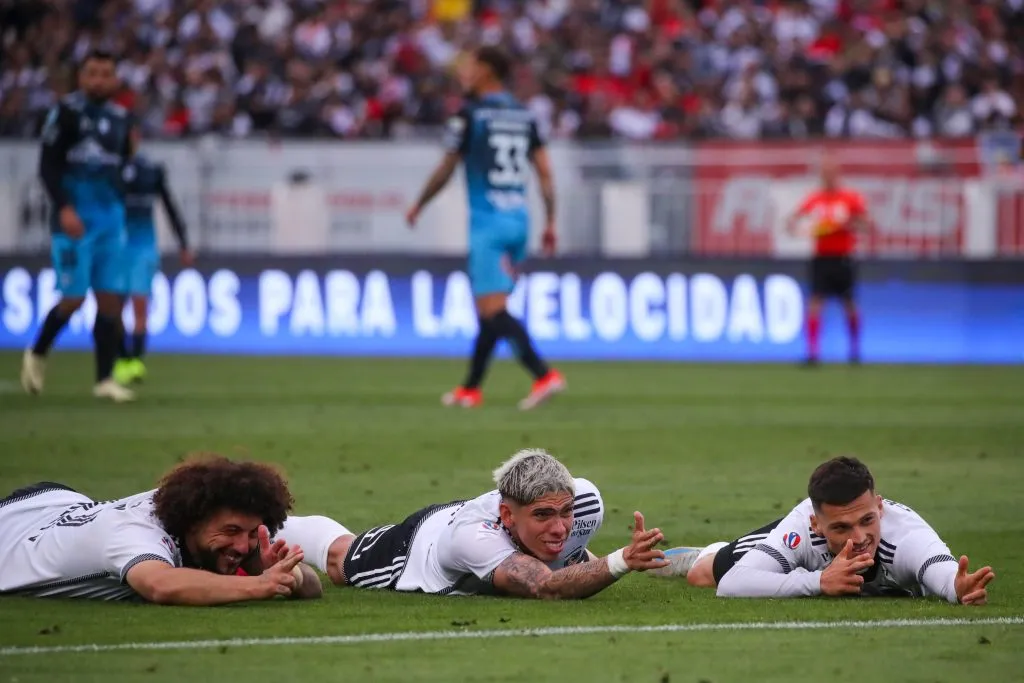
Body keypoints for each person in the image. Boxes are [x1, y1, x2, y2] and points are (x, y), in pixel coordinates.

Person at [276, 448, 668, 598]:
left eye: (565, 512)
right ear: (508, 515)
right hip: (417, 548)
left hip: (478, 522)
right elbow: (547, 587)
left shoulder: (585, 502)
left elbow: (575, 555)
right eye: (543, 515)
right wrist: (621, 560)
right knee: (339, 561)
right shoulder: (472, 538)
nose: (560, 527)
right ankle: (268, 525)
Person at [405, 46, 564, 410]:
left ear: (487, 70)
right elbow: (545, 173)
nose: (464, 72)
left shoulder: (469, 115)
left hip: (488, 224)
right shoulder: (525, 115)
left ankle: (543, 375)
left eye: (470, 66)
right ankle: (470, 389)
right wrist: (551, 221)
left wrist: (420, 204)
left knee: (494, 310)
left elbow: (447, 167)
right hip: (519, 221)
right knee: (489, 310)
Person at [651, 457, 995, 605]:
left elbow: (941, 570)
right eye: (842, 527)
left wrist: (957, 589)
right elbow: (732, 584)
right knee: (700, 575)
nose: (859, 538)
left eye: (867, 521)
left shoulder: (905, 535)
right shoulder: (803, 528)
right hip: (804, 556)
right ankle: (708, 551)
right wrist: (818, 582)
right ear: (816, 523)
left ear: (879, 507)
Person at [0, 455, 322, 604]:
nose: (242, 545)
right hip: (11, 532)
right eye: (231, 531)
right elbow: (161, 585)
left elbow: (311, 587)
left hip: (58, 507)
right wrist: (257, 586)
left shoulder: (199, 518)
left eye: (251, 534)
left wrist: (277, 574)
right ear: (194, 519)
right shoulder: (135, 534)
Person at [20, 50, 136, 402]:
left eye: (105, 73)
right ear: (82, 77)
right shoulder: (66, 112)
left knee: (111, 300)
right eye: (92, 73)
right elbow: (47, 166)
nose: (99, 80)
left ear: (115, 79)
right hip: (74, 219)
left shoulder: (121, 118)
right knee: (74, 297)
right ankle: (37, 352)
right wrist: (65, 207)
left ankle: (104, 380)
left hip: (110, 220)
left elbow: (122, 164)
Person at [113, 135, 194, 385]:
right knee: (113, 309)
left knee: (140, 306)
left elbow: (169, 206)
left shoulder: (151, 171)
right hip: (115, 247)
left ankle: (135, 362)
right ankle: (123, 358)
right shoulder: (108, 170)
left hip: (142, 247)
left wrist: (183, 243)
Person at [786, 155, 869, 366]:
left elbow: (865, 225)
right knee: (815, 303)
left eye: (831, 172)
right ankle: (813, 353)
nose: (828, 176)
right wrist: (799, 229)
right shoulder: (815, 199)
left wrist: (846, 224)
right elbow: (792, 221)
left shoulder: (850, 198)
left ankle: (855, 351)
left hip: (843, 257)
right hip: (822, 258)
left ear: (837, 174)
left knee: (849, 303)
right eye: (825, 173)